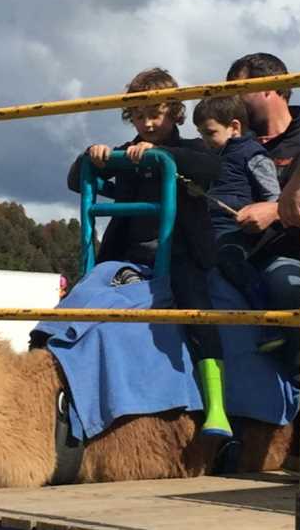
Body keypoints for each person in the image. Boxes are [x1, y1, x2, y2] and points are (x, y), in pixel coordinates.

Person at [67, 67, 232, 437]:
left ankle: (216, 405)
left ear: (174, 111)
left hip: (179, 252)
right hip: (127, 257)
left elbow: (210, 167)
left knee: (196, 304)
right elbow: (75, 181)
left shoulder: (189, 149)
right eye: (139, 116)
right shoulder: (126, 153)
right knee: (86, 292)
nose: (147, 123)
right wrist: (90, 158)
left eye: (155, 114)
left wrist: (162, 155)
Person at [224, 53, 300, 370]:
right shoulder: (229, 141)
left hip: (289, 259)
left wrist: (276, 211)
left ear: (271, 87)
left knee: (285, 285)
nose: (231, 100)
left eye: (239, 90)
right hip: (227, 253)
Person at [193, 96, 287, 353]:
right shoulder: (212, 155)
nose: (204, 140)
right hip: (209, 226)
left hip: (236, 230)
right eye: (200, 134)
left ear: (234, 127)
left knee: (230, 261)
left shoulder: (253, 154)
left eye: (210, 133)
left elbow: (273, 195)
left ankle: (266, 320)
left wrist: (264, 213)